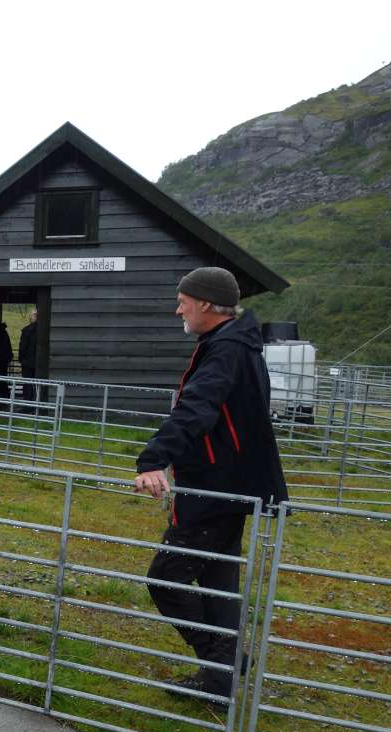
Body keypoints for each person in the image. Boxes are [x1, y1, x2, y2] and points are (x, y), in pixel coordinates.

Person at [134, 267, 287, 698]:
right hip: (230, 485)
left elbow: (198, 406)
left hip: (215, 489)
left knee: (166, 579)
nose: (177, 307)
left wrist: (154, 459)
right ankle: (222, 678)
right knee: (219, 584)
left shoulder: (226, 349)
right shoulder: (233, 344)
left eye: (182, 299)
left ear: (204, 302)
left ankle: (223, 664)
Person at [18, 309, 39, 403]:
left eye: (31, 316)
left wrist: (21, 358)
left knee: (27, 384)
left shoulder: (26, 330)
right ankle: (36, 403)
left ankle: (27, 405)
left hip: (27, 362)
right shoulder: (43, 331)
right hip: (39, 363)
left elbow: (23, 347)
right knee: (37, 384)